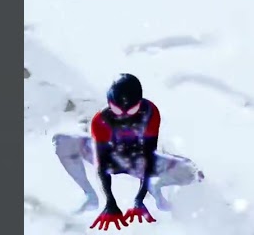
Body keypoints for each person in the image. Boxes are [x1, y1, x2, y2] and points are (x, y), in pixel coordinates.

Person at [51, 74, 205, 230]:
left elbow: (149, 157)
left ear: (139, 102)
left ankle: (158, 187)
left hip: (138, 161)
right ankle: (90, 196)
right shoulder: (101, 120)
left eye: (131, 110)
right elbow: (101, 164)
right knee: (63, 141)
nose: (124, 114)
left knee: (192, 171)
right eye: (117, 109)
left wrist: (140, 198)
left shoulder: (150, 112)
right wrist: (110, 202)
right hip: (111, 158)